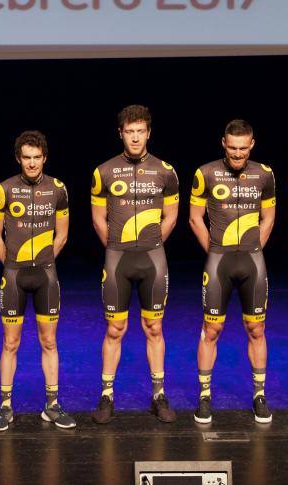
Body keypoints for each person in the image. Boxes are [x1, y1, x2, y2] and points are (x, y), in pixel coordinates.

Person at [89, 105, 179, 424]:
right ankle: (107, 395)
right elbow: (99, 219)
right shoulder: (104, 172)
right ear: (121, 134)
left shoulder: (166, 171)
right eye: (130, 132)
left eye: (141, 131)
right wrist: (117, 247)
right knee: (115, 328)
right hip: (117, 259)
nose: (136, 137)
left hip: (153, 259)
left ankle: (158, 394)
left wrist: (151, 243)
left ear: (149, 133)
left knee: (154, 327)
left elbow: (170, 216)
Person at [188, 119, 276, 424]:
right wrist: (215, 251)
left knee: (257, 330)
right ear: (223, 144)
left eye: (243, 149)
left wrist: (254, 249)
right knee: (211, 330)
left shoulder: (264, 174)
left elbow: (268, 218)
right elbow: (195, 219)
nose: (238, 155)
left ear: (252, 145)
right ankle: (204, 395)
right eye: (232, 148)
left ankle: (259, 395)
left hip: (253, 262)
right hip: (219, 263)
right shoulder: (205, 173)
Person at [0, 130, 75, 431]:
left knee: (49, 341)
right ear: (18, 159)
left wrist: (45, 260)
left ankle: (52, 405)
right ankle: (5, 406)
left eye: (37, 158)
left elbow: (62, 234)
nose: (32, 163)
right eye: (27, 158)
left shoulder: (58, 189)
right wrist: (11, 264)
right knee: (10, 343)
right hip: (14, 276)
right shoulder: (4, 189)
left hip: (46, 276)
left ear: (45, 158)